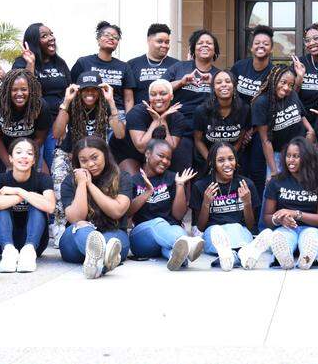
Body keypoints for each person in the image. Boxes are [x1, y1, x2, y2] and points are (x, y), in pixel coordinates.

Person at [50, 71, 125, 224]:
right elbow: (57, 133)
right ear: (79, 90)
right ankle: (60, 226)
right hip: (69, 153)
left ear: (99, 91)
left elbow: (120, 135)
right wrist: (66, 102)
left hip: (94, 157)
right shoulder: (71, 104)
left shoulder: (105, 105)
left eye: (93, 89)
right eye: (85, 89)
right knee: (60, 184)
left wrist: (111, 102)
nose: (89, 93)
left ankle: (96, 222)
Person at [57, 136, 134, 279]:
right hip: (75, 239)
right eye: (84, 160)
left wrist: (90, 185)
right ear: (77, 162)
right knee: (81, 226)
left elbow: (117, 211)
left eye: (95, 157)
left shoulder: (122, 177)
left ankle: (96, 264)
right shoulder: (69, 182)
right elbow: (76, 218)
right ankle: (102, 260)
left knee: (112, 243)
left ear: (105, 154)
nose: (90, 164)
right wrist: (81, 184)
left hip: (113, 232)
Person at [254, 138, 318, 270]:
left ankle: (307, 257)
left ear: (307, 157)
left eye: (296, 156)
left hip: (311, 229)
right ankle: (283, 259)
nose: (290, 160)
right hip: (285, 229)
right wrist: (279, 219)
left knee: (309, 237)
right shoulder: (276, 181)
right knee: (282, 237)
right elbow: (267, 217)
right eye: (288, 156)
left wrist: (296, 214)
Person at [127, 140, 203, 271]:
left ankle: (179, 256)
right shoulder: (134, 180)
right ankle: (187, 243)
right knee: (158, 222)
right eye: (161, 156)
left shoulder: (173, 178)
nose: (165, 161)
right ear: (148, 154)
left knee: (177, 246)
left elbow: (178, 215)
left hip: (168, 237)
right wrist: (148, 192)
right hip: (142, 240)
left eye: (168, 158)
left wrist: (179, 185)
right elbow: (128, 212)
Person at [0, 137, 56, 273]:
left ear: (34, 160)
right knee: (2, 208)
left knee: (37, 207)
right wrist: (32, 196)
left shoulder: (43, 179)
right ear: (11, 158)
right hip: (4, 238)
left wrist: (19, 191)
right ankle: (9, 252)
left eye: (29, 153)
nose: (24, 156)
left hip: (35, 241)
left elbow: (50, 207)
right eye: (18, 152)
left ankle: (28, 252)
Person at [190, 142, 260, 271]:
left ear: (236, 160)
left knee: (236, 228)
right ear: (212, 163)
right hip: (213, 234)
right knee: (216, 230)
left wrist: (247, 202)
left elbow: (251, 226)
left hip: (240, 231)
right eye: (221, 160)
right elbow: (200, 227)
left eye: (231, 159)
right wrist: (206, 203)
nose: (227, 164)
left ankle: (230, 256)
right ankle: (245, 255)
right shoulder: (200, 186)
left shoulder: (246, 184)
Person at [11, 22, 70, 170]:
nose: (51, 38)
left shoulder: (60, 63)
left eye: (51, 34)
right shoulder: (21, 62)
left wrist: (63, 123)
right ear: (34, 42)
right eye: (44, 36)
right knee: (33, 166)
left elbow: (68, 93)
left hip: (55, 124)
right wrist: (30, 64)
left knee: (55, 166)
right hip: (32, 124)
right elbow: (23, 92)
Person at [230, 25, 275, 192]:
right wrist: (242, 130)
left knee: (256, 171)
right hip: (236, 126)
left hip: (260, 130)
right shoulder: (240, 67)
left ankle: (255, 214)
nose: (261, 46)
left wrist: (252, 131)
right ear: (251, 47)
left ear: (271, 48)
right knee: (237, 167)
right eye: (257, 43)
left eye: (265, 43)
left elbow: (272, 107)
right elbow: (229, 94)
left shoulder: (274, 73)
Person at [251, 65, 315, 178]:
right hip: (279, 154)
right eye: (283, 82)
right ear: (274, 79)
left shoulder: (292, 94)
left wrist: (311, 131)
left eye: (291, 85)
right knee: (276, 189)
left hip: (301, 150)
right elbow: (265, 141)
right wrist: (274, 171)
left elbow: (301, 115)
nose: (287, 88)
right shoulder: (261, 102)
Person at [0, 69, 49, 177]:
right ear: (7, 90)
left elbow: (40, 138)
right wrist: (10, 164)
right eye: (14, 90)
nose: (19, 94)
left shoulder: (40, 106)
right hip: (0, 148)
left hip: (28, 147)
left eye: (24, 89)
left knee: (37, 178)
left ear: (31, 90)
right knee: (8, 180)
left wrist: (27, 158)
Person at [120, 78, 188, 175]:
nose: (158, 98)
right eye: (153, 94)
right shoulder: (137, 112)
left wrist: (163, 120)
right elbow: (142, 147)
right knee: (134, 181)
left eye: (163, 94)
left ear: (171, 96)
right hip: (130, 154)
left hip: (158, 156)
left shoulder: (178, 118)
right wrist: (156, 121)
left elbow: (170, 147)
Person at [73, 20, 136, 113]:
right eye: (107, 35)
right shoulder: (83, 62)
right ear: (98, 39)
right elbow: (73, 89)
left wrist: (129, 121)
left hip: (117, 113)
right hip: (88, 112)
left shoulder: (124, 67)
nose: (111, 38)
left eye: (115, 37)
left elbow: (128, 99)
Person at [193, 69, 250, 164]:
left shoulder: (244, 109)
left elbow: (241, 137)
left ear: (234, 86)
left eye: (228, 81)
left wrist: (230, 159)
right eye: (218, 82)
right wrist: (212, 162)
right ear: (213, 88)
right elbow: (198, 141)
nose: (224, 84)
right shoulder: (201, 111)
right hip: (206, 161)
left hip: (234, 162)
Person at [165, 29, 220, 122]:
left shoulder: (219, 75)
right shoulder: (179, 67)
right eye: (200, 43)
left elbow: (229, 99)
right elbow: (159, 88)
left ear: (215, 50)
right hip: (179, 123)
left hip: (208, 125)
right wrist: (181, 83)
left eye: (209, 43)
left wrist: (213, 83)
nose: (205, 45)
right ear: (193, 48)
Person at [127, 23, 179, 98]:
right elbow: (128, 96)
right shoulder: (132, 64)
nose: (164, 45)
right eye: (160, 41)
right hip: (140, 109)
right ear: (148, 40)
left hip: (169, 109)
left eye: (167, 42)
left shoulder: (177, 64)